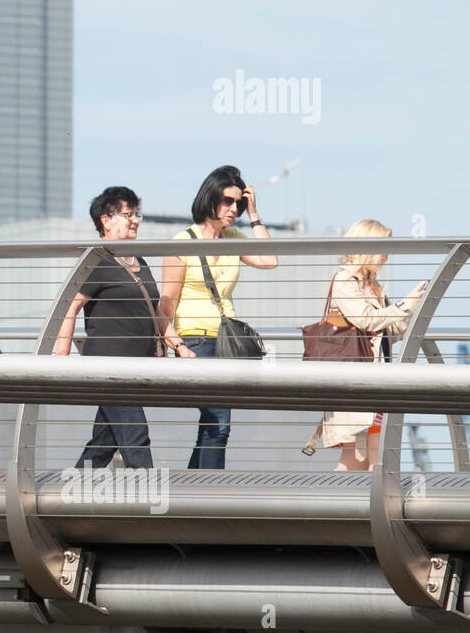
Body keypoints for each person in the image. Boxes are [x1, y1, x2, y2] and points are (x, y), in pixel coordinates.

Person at [55, 187, 194, 468]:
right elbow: (71, 306)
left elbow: (154, 308)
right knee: (135, 434)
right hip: (108, 366)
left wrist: (178, 344)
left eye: (136, 214)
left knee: (104, 441)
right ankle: (149, 501)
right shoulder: (96, 260)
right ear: (106, 220)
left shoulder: (138, 261)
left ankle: (67, 494)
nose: (135, 221)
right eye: (127, 215)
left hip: (137, 365)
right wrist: (60, 356)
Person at [157, 165, 278, 469]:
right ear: (209, 198)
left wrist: (254, 214)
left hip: (228, 342)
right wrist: (178, 346)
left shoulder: (234, 237)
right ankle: (209, 489)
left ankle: (192, 487)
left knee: (214, 420)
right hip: (195, 341)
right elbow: (165, 305)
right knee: (218, 420)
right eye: (227, 200)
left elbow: (269, 260)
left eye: (238, 202)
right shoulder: (182, 243)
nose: (232, 208)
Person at [302, 220, 427, 470]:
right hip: (358, 380)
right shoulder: (345, 280)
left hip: (370, 380)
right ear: (368, 246)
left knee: (355, 459)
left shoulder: (371, 286)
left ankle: (333, 507)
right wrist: (406, 304)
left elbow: (386, 333)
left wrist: (412, 309)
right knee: (375, 460)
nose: (387, 254)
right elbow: (367, 320)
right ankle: (369, 507)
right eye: (383, 246)